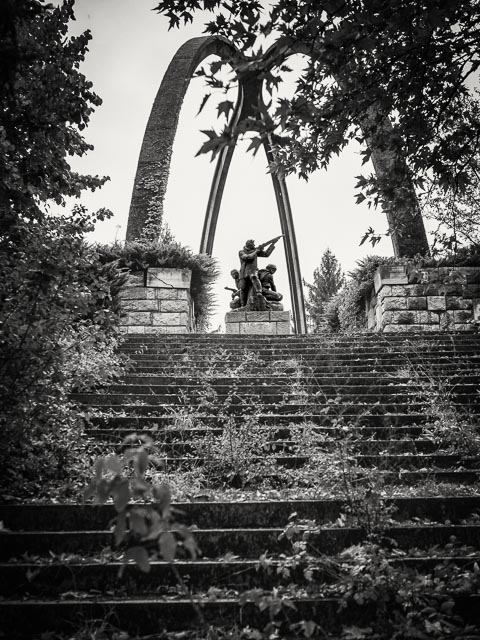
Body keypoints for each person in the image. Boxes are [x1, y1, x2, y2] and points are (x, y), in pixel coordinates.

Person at [238, 238, 278, 307]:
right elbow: (247, 257)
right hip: (244, 272)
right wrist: (256, 251)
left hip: (253, 271)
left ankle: (259, 292)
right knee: (243, 289)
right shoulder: (241, 252)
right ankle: (242, 305)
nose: (254, 245)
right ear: (249, 245)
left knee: (254, 277)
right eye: (253, 244)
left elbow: (266, 254)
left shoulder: (254, 251)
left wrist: (272, 244)